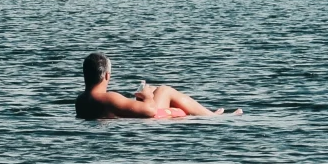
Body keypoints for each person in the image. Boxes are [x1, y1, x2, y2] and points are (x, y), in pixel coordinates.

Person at [75, 53, 235, 120]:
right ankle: (212, 117)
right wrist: (147, 96)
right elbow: (150, 112)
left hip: (126, 117)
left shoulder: (80, 100)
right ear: (107, 76)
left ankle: (209, 113)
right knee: (164, 90)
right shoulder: (108, 97)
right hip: (148, 120)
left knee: (154, 90)